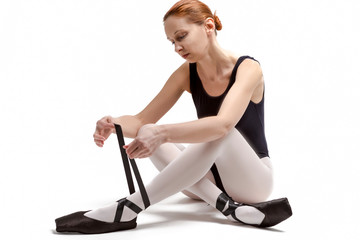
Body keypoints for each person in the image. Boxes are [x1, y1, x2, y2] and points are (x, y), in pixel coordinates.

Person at [55, 0, 292, 234]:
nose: (177, 47)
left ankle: (130, 207)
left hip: (251, 181)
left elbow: (223, 125)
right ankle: (227, 206)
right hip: (201, 179)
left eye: (181, 36)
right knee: (145, 129)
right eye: (172, 42)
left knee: (223, 133)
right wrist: (113, 123)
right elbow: (140, 121)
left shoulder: (248, 68)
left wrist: (161, 133)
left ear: (208, 26)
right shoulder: (186, 74)